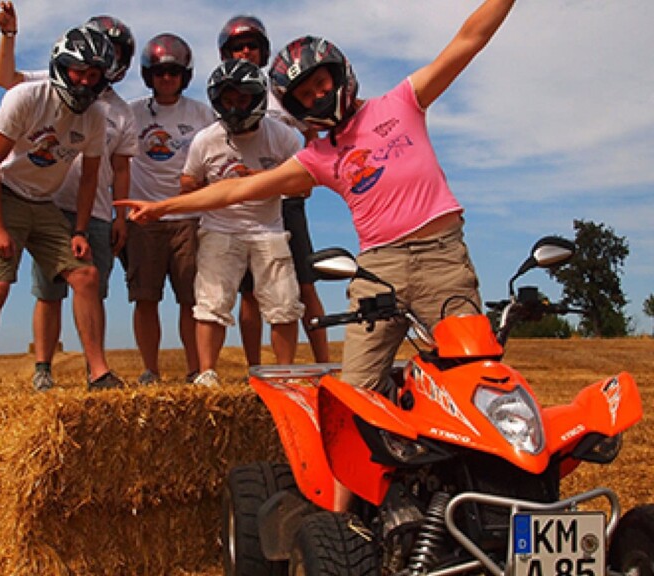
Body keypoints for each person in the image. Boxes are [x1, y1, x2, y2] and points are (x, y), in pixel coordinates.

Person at [118, 0, 512, 400]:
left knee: (470, 376)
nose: (318, 96)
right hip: (378, 269)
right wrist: (162, 208)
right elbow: (235, 190)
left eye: (320, 84)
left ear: (339, 73)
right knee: (357, 394)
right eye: (305, 96)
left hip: (441, 258)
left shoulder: (403, 102)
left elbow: (469, 39)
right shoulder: (319, 156)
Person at [0, 25, 125, 413]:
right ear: (61, 66)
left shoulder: (96, 117)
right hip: (0, 189)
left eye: (94, 75)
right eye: (79, 71)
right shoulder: (27, 96)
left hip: (42, 200)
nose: (85, 82)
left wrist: (79, 231)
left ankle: (99, 373)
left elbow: (90, 179)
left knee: (85, 275)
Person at [0, 2, 138, 392]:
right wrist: (8, 35)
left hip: (97, 211)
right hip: (50, 203)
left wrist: (120, 217)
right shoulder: (53, 81)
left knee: (92, 290)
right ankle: (43, 368)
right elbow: (6, 79)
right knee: (48, 292)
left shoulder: (122, 112)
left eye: (114, 52)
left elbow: (122, 169)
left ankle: (96, 371)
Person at [181, 59, 306, 387]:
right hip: (219, 229)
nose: (234, 107)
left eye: (242, 99)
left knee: (284, 303)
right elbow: (187, 181)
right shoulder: (206, 139)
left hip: (269, 230)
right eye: (227, 100)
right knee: (211, 303)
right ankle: (207, 373)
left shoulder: (282, 136)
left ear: (258, 97)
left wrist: (264, 179)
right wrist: (217, 188)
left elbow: (304, 186)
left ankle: (284, 374)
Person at [217, 15, 330, 366]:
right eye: (237, 47)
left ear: (263, 51)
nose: (245, 52)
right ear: (226, 53)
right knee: (250, 293)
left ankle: (324, 363)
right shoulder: (222, 92)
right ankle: (256, 368)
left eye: (252, 45)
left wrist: (306, 175)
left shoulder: (281, 92)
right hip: (249, 208)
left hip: (286, 202)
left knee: (305, 284)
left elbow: (312, 131)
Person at [125, 33, 216, 385]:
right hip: (145, 217)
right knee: (145, 298)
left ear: (184, 75)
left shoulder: (202, 114)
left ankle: (196, 369)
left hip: (190, 218)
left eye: (173, 72)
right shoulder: (132, 112)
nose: (166, 78)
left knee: (191, 299)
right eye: (159, 72)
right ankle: (151, 370)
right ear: (148, 75)